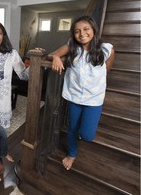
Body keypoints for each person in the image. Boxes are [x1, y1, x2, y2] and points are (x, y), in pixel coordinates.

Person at [48, 15, 115, 170]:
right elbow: (52, 54)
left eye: (86, 29)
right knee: (72, 128)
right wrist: (56, 57)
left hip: (94, 99)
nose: (82, 33)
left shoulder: (107, 49)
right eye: (77, 31)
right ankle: (72, 154)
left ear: (93, 30)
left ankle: (82, 130)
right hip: (74, 97)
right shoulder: (72, 47)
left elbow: (107, 70)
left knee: (87, 136)